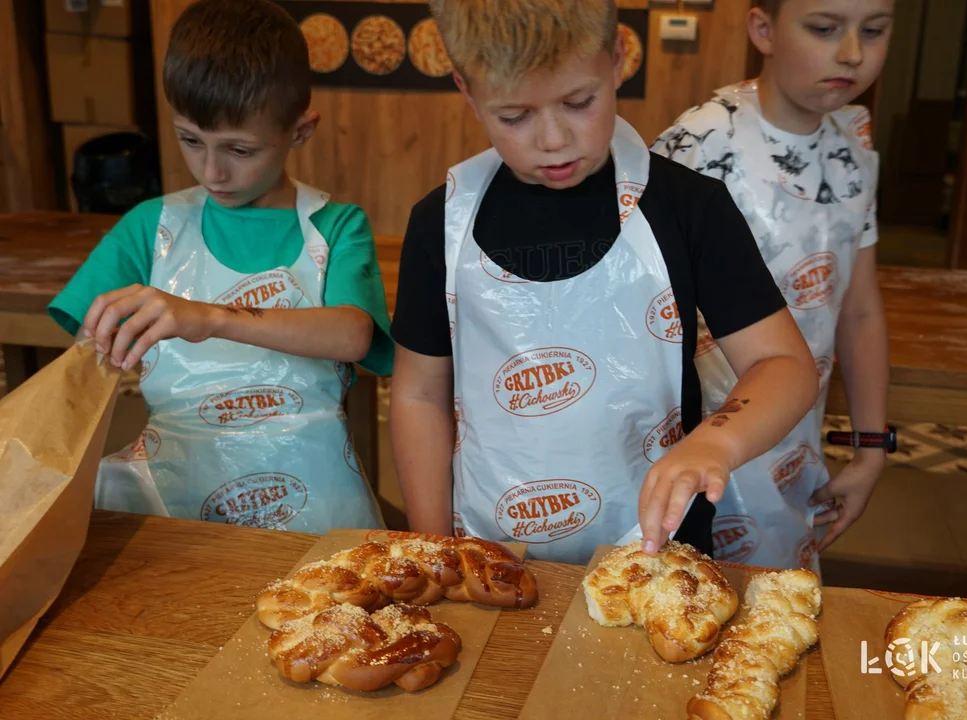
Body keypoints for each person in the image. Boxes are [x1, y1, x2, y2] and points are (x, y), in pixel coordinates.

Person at [388, 0, 819, 565]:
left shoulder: (689, 208)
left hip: (658, 555)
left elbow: (785, 367)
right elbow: (419, 394)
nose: (552, 139)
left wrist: (716, 441)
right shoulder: (440, 223)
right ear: (468, 92)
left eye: (578, 102)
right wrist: (433, 544)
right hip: (489, 549)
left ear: (618, 60)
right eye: (513, 116)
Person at [48, 0, 393, 533]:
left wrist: (207, 317)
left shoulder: (334, 226)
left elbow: (352, 334)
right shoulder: (151, 227)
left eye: (239, 148)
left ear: (300, 131)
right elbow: (79, 354)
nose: (212, 170)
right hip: (174, 501)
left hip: (315, 503)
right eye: (190, 140)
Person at [653, 0, 895, 571]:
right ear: (763, 29)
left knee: (770, 622)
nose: (853, 53)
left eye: (875, 31)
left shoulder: (853, 149)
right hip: (691, 443)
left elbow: (859, 310)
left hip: (795, 446)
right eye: (824, 28)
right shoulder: (699, 143)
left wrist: (869, 450)